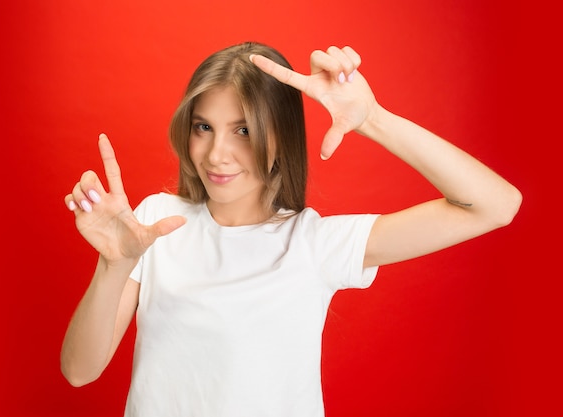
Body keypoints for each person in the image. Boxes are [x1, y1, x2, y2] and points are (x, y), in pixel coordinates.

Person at [61, 42, 522, 416]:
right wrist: (114, 264)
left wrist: (373, 118)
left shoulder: (314, 243)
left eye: (242, 130)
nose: (216, 153)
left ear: (279, 134)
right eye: (204, 126)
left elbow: (496, 206)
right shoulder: (155, 222)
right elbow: (79, 370)